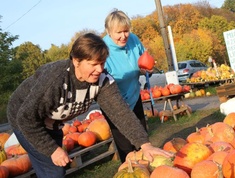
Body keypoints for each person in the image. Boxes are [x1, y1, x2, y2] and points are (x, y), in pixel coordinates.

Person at [7, 33, 173, 178]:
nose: (99, 69)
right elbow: (26, 118)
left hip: (51, 123)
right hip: (25, 119)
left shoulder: (102, 81)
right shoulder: (55, 80)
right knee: (52, 171)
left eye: (102, 63)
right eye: (93, 64)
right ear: (76, 61)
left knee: (58, 168)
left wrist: (146, 145)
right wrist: (52, 150)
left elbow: (121, 113)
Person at [102, 9, 153, 162]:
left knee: (141, 140)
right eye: (119, 32)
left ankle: (146, 169)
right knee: (126, 147)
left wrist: (146, 69)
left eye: (126, 31)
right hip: (115, 104)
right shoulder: (102, 50)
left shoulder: (134, 40)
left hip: (134, 96)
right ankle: (130, 169)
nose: (124, 36)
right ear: (109, 31)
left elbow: (145, 61)